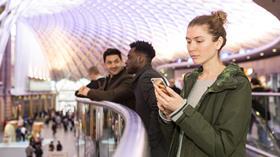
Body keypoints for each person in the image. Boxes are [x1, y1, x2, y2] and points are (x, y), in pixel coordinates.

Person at [154, 11, 251, 157]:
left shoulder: (236, 84)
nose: (191, 48)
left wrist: (181, 110)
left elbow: (223, 147)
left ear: (218, 42)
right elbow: (179, 135)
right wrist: (168, 114)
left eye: (199, 41)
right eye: (188, 41)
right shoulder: (190, 79)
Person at [126, 41, 168, 157]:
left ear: (140, 59)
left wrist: (150, 140)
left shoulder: (148, 77)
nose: (126, 62)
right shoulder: (146, 76)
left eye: (129, 57)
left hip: (156, 147)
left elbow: (160, 108)